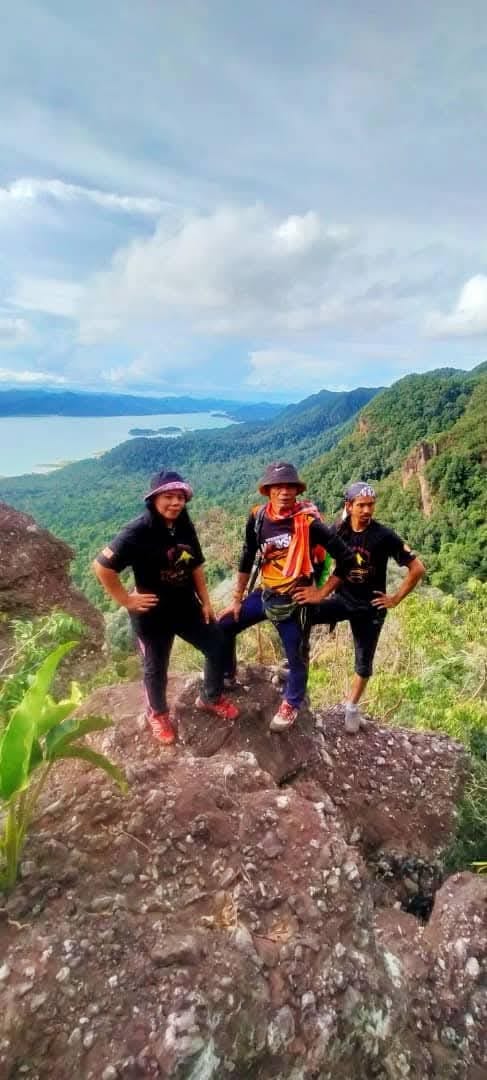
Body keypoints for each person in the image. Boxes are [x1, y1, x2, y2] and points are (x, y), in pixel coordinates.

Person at [92, 469, 239, 745]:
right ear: (154, 499)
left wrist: (206, 602)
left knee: (217, 644)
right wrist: (125, 600)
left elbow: (195, 565)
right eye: (169, 496)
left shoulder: (183, 524)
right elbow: (102, 566)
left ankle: (210, 697)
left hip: (185, 606)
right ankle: (157, 714)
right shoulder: (137, 531)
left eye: (180, 497)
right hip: (152, 614)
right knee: (156, 667)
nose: (176, 503)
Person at [219, 462, 356, 732]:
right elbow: (247, 555)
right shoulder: (258, 517)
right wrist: (237, 598)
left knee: (296, 654)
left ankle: (292, 702)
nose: (284, 492)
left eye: (289, 487)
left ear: (296, 490)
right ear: (268, 490)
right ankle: (227, 673)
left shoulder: (309, 524)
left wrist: (321, 593)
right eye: (278, 487)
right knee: (224, 626)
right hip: (266, 593)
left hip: (295, 601)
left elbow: (347, 559)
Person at [294, 482, 425, 733]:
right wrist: (317, 590)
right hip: (343, 599)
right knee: (302, 614)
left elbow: (417, 568)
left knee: (364, 662)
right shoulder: (339, 530)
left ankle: (352, 707)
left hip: (370, 608)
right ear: (349, 506)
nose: (367, 510)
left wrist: (394, 599)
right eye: (361, 505)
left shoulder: (383, 536)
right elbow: (320, 556)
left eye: (370, 505)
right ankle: (296, 666)